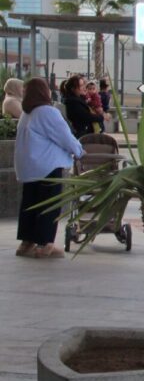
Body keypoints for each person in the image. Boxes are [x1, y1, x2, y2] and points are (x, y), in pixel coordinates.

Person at [15, 78, 84, 258]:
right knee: (49, 205)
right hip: (48, 167)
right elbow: (64, 137)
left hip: (29, 168)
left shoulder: (26, 113)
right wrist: (79, 151)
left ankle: (26, 243)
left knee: (29, 204)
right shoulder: (48, 112)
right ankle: (45, 245)